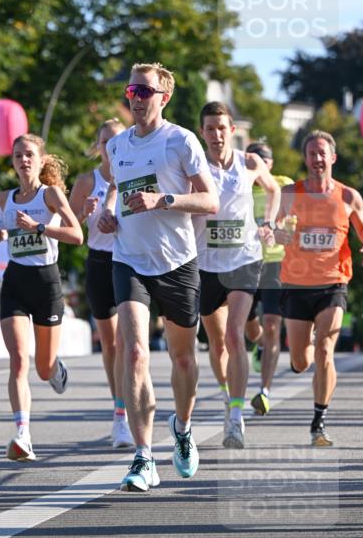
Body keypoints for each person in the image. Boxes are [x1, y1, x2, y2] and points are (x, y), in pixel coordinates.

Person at [97, 62, 219, 492]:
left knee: (183, 359)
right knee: (133, 354)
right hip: (129, 260)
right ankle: (143, 456)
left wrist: (163, 199)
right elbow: (113, 190)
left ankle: (182, 428)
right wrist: (108, 214)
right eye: (132, 89)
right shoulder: (117, 146)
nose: (136, 97)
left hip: (178, 263)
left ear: (163, 97)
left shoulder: (180, 140)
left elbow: (211, 199)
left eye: (145, 91)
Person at [276, 130, 363, 445]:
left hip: (333, 282)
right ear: (305, 158)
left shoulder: (348, 196)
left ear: (332, 157)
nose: (317, 159)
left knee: (325, 351)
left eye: (322, 153)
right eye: (312, 154)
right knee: (300, 362)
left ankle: (318, 421)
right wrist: (275, 235)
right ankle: (304, 342)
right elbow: (272, 228)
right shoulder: (289, 194)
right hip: (295, 284)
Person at [0, 134, 83, 461]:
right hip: (15, 281)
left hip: (46, 283)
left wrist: (39, 228)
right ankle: (22, 434)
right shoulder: (5, 198)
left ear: (41, 160)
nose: (23, 160)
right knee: (18, 361)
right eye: (18, 156)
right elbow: (3, 232)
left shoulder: (51, 195)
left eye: (29, 155)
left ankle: (55, 369)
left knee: (42, 368)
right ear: (13, 161)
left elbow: (76, 235)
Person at [194, 104, 281, 449]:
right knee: (216, 344)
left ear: (232, 130)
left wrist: (269, 223)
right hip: (205, 263)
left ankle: (235, 416)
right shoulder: (194, 164)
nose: (216, 135)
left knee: (234, 335)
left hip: (244, 259)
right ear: (202, 132)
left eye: (221, 128)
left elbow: (272, 190)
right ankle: (229, 393)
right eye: (210, 129)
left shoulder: (250, 163)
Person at [69, 118, 133, 448]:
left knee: (127, 343)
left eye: (117, 140)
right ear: (99, 146)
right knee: (109, 343)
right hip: (98, 262)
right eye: (105, 141)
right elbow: (66, 229)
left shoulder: (135, 174)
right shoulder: (86, 180)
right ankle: (119, 410)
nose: (111, 147)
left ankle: (129, 405)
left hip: (130, 260)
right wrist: (84, 211)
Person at [245, 141, 294, 415]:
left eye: (263, 159)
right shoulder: (240, 184)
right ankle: (261, 345)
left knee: (273, 324)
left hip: (275, 262)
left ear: (270, 163)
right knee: (250, 328)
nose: (257, 164)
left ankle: (264, 391)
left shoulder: (283, 183)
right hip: (245, 263)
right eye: (252, 158)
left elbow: (296, 217)